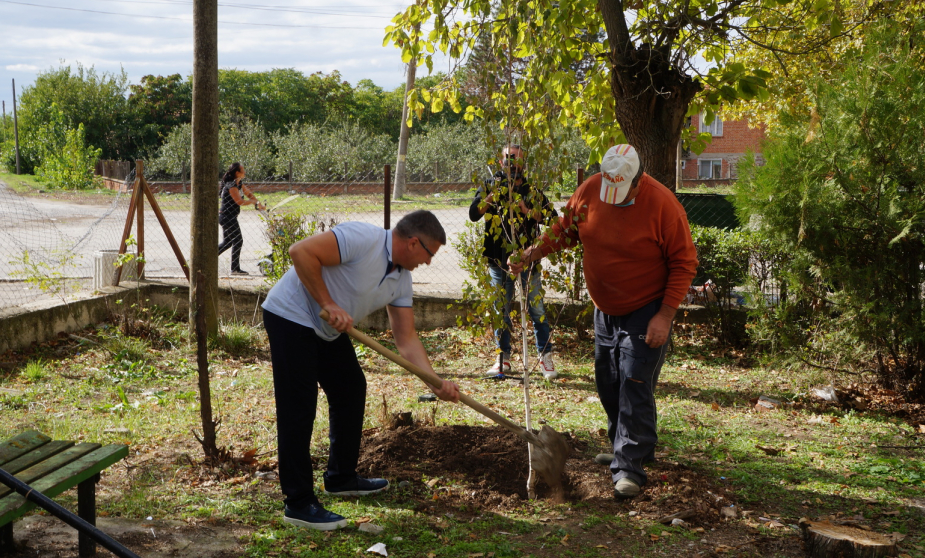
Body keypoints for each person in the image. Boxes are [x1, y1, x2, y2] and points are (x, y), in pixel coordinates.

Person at [511, 144, 698, 500]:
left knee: (633, 381)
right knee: (608, 382)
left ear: (639, 180)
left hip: (647, 307)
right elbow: (565, 230)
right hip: (605, 308)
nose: (612, 196)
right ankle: (626, 448)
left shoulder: (663, 205)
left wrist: (665, 315)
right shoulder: (591, 190)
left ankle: (629, 468)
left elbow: (684, 262)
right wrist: (532, 253)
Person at [262, 210, 461, 530]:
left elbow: (406, 339)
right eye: (429, 254)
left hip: (327, 330)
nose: (428, 262)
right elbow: (300, 252)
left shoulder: (401, 280)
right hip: (290, 316)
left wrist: (435, 382)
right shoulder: (361, 239)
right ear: (413, 243)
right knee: (298, 407)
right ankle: (298, 503)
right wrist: (328, 303)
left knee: (350, 388)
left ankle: (340, 478)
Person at [469, 145, 558, 379]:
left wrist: (525, 209)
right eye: (507, 158)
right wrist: (493, 194)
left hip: (528, 260)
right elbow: (474, 213)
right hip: (498, 261)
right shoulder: (490, 185)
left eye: (516, 158)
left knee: (537, 309)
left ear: (523, 162)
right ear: (501, 162)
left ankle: (545, 358)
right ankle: (503, 359)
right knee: (502, 310)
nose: (511, 163)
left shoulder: (531, 189)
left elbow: (553, 218)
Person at [218, 162, 265, 275]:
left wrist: (258, 202)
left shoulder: (239, 184)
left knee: (228, 242)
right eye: (242, 170)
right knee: (238, 240)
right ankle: (235, 269)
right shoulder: (231, 186)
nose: (244, 172)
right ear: (237, 172)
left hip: (230, 217)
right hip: (227, 217)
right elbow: (239, 201)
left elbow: (249, 194)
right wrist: (252, 202)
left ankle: (207, 258)